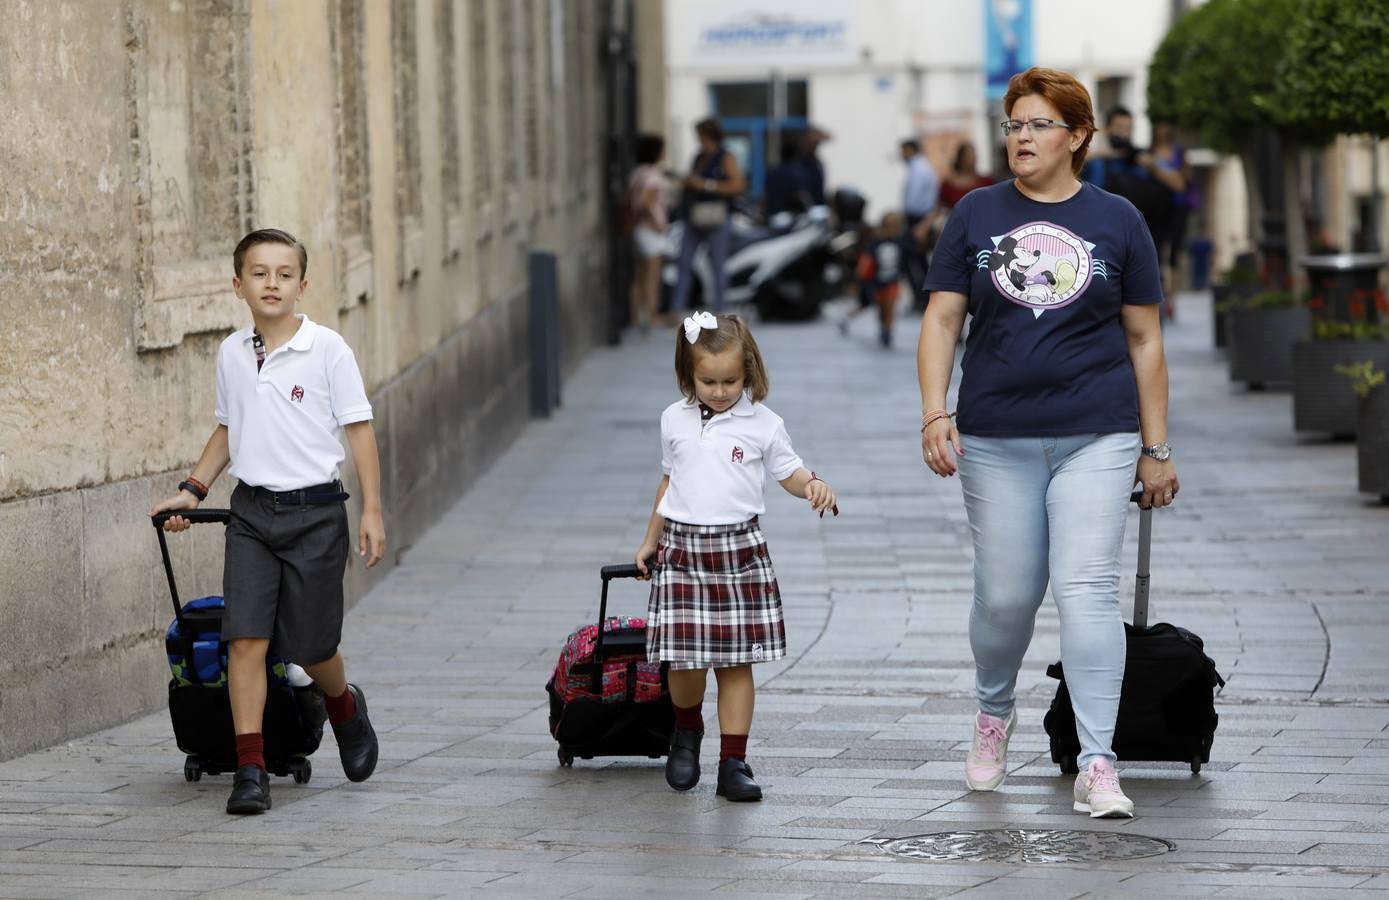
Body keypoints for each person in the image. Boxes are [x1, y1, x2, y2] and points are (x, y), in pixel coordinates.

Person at [917, 67, 1179, 819]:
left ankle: (1096, 762)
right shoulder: (974, 213)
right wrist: (936, 413)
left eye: (1036, 125)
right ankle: (992, 712)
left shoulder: (1119, 220)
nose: (1020, 138)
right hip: (995, 435)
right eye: (1012, 125)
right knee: (1005, 596)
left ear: (1077, 137)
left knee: (1086, 587)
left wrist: (1154, 447)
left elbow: (1144, 339)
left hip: (1097, 431)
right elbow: (940, 322)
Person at [150, 228, 386, 815]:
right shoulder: (232, 353)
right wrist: (192, 489)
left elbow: (358, 430)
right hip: (252, 513)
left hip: (317, 512)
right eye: (259, 273)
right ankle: (250, 767)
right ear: (238, 285)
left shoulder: (328, 349)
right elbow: (230, 428)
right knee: (246, 639)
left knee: (310, 646)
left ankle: (343, 706)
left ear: (302, 284)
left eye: (284, 274)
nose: (272, 283)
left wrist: (373, 511)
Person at [635, 312, 838, 802]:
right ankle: (686, 732)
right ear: (689, 374)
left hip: (737, 552)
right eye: (708, 381)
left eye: (730, 380)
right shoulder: (673, 420)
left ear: (748, 371)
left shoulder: (762, 425)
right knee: (682, 662)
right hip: (682, 549)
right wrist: (649, 541)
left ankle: (733, 761)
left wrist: (812, 484)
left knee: (735, 665)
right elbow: (670, 481)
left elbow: (788, 471)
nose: (721, 391)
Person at [671, 119, 747, 313]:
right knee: (684, 262)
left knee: (718, 264)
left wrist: (705, 185)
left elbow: (737, 185)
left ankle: (720, 309)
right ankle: (677, 307)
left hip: (716, 216)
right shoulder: (699, 157)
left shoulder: (725, 157)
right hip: (694, 215)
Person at [842, 211, 906, 347]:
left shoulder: (900, 242)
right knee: (880, 308)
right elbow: (865, 262)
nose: (892, 229)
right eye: (890, 226)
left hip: (892, 281)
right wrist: (858, 281)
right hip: (875, 282)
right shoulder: (875, 243)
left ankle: (887, 331)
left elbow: (905, 259)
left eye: (895, 226)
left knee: (889, 306)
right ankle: (883, 327)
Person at [628, 133, 669, 332]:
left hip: (638, 229)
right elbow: (645, 202)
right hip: (650, 231)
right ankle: (652, 316)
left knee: (639, 275)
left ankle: (636, 316)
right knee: (652, 275)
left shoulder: (636, 173)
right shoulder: (652, 175)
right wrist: (655, 222)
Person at [900, 139, 939, 308]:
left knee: (911, 258)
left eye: (904, 150)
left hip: (919, 218)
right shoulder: (918, 167)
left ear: (911, 150)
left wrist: (921, 224)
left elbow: (915, 199)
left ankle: (922, 297)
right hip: (918, 218)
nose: (902, 155)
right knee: (919, 259)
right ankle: (923, 296)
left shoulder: (920, 169)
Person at [763, 137, 813, 218]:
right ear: (796, 154)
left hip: (773, 217)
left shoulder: (772, 172)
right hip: (789, 218)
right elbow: (802, 196)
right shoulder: (797, 173)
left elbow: (765, 197)